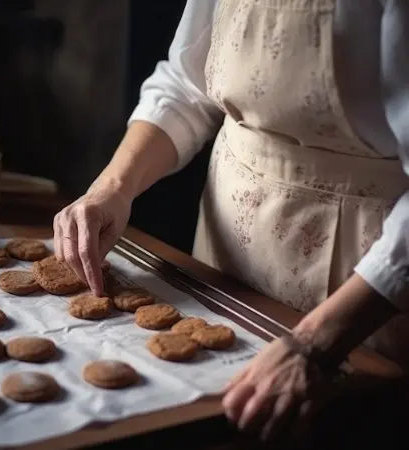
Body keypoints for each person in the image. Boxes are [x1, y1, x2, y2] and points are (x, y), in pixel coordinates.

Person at [53, 0, 409, 441]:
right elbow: (186, 86)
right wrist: (112, 188)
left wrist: (316, 345)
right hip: (223, 268)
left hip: (363, 295)